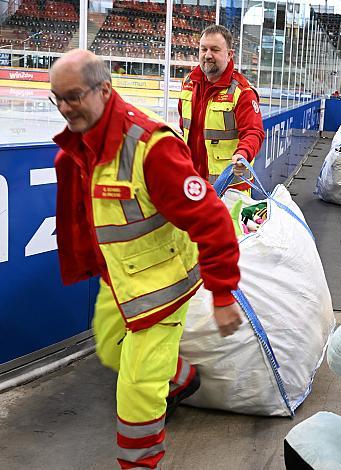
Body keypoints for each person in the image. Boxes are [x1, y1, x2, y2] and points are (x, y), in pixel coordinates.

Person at [50, 49, 244, 469]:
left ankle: (139, 463)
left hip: (161, 289)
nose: (65, 108)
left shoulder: (149, 147)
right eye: (57, 98)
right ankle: (181, 378)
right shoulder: (81, 146)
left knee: (137, 392)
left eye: (73, 96)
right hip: (120, 280)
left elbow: (211, 218)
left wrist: (223, 293)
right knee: (108, 346)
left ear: (104, 90)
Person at [179, 25, 265, 191]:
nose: (208, 55)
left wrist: (243, 154)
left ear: (229, 54)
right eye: (203, 49)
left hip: (229, 189)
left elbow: (254, 132)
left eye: (215, 49)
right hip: (192, 185)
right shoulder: (188, 83)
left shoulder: (242, 92)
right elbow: (184, 127)